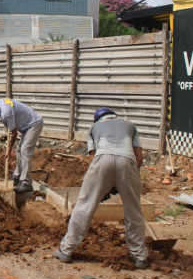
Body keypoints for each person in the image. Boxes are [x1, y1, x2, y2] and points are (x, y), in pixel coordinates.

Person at [53, 107, 149, 269]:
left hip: (102, 159)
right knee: (134, 209)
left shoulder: (94, 127)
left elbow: (93, 159)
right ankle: (139, 256)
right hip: (128, 161)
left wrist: (102, 186)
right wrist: (122, 182)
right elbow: (139, 158)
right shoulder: (129, 124)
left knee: (84, 205)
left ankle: (66, 250)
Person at [0, 97, 43, 193]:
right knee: (19, 149)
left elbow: (14, 133)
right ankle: (17, 176)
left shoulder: (6, 114)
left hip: (34, 124)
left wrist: (8, 150)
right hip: (26, 126)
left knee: (25, 150)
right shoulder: (0, 103)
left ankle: (26, 183)